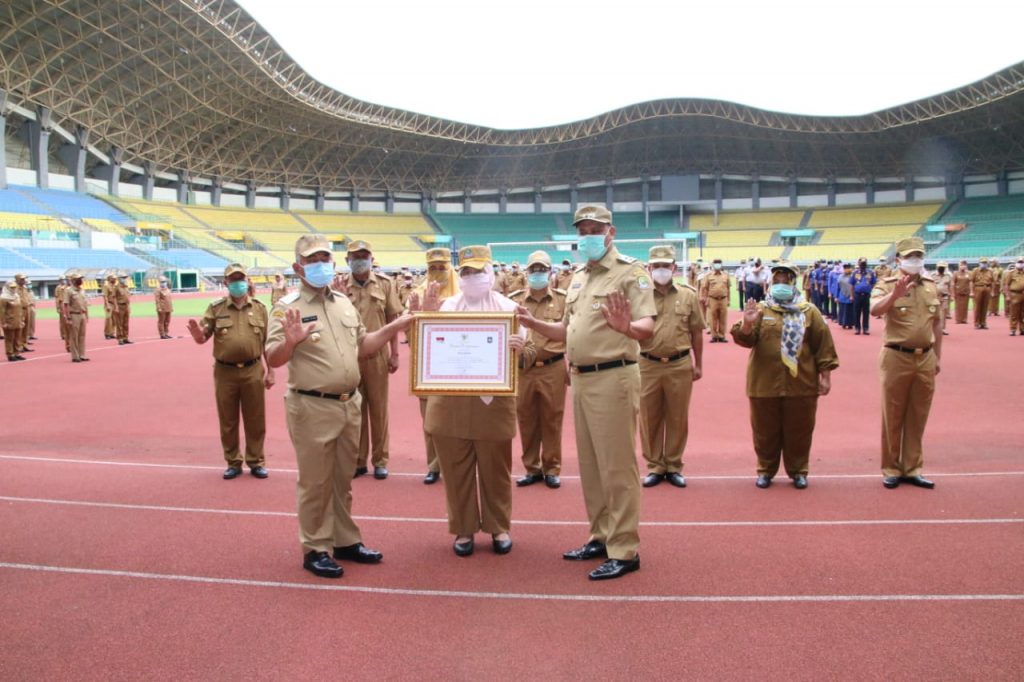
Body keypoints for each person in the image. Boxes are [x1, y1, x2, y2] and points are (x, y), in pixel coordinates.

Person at [518, 204, 656, 581]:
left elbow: (648, 327)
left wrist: (627, 328)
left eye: (596, 229)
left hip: (614, 377)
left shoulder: (631, 272)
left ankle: (625, 549)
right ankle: (601, 535)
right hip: (580, 378)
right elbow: (568, 331)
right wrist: (533, 323)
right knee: (593, 467)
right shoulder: (579, 277)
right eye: (583, 230)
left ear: (611, 232)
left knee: (617, 466)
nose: (588, 236)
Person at [265, 234, 412, 579]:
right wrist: (289, 343)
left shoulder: (343, 303)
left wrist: (396, 326)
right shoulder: (287, 307)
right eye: (313, 260)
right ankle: (316, 547)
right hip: (312, 406)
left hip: (349, 404)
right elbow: (273, 355)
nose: (321, 265)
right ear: (298, 267)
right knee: (316, 482)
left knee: (343, 479)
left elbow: (363, 345)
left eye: (325, 259)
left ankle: (345, 540)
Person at [417, 245, 533, 557]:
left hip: (493, 406)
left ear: (491, 273)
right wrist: (425, 316)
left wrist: (521, 349)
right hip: (450, 404)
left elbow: (531, 355)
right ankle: (463, 529)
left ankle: (499, 527)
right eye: (466, 272)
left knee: (496, 471)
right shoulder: (444, 308)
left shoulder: (510, 309)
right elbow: (425, 354)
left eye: (478, 271)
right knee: (456, 472)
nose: (472, 278)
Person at [731, 262, 838, 489]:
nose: (781, 284)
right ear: (770, 282)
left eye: (785, 281)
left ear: (793, 283)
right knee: (764, 431)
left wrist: (826, 377)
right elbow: (744, 339)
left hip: (802, 383)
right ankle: (765, 470)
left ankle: (798, 470)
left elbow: (823, 346)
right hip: (764, 382)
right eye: (777, 280)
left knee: (799, 430)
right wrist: (748, 324)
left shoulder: (809, 311)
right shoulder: (760, 309)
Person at [187, 263, 274, 480]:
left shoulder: (260, 308)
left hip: (253, 369)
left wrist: (271, 371)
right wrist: (198, 335)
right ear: (226, 283)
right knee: (228, 419)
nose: (237, 283)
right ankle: (233, 461)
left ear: (247, 281)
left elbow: (267, 343)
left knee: (256, 419)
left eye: (240, 279)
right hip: (225, 372)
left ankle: (256, 461)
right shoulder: (216, 308)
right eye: (233, 280)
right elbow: (202, 337)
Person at [870, 237, 942, 490]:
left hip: (925, 357)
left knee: (918, 414)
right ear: (898, 259)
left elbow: (937, 324)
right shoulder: (886, 284)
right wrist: (894, 295)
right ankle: (891, 468)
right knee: (893, 414)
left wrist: (937, 358)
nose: (915, 261)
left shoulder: (931, 286)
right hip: (896, 356)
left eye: (919, 256)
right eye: (910, 257)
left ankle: (912, 468)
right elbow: (875, 310)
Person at [332, 239, 403, 480]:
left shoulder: (385, 284)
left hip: (377, 356)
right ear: (347, 260)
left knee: (379, 410)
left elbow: (393, 319)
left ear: (372, 258)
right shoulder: (339, 286)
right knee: (354, 411)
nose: (360, 259)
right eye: (355, 256)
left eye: (364, 255)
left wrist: (395, 353)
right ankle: (358, 461)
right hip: (350, 357)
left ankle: (380, 459)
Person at [639, 245, 703, 488]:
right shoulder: (640, 295)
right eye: (657, 266)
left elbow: (696, 331)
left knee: (677, 416)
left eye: (666, 266)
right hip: (647, 364)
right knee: (649, 417)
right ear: (649, 268)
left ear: (674, 268)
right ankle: (655, 466)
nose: (661, 270)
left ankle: (674, 465)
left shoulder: (688, 295)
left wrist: (699, 364)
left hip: (679, 363)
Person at [509, 250, 568, 489]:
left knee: (552, 418)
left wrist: (571, 363)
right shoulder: (514, 300)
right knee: (526, 418)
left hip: (552, 367)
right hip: (523, 369)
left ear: (550, 272)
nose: (538, 274)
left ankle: (552, 467)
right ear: (527, 272)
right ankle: (531, 468)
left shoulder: (562, 299)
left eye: (542, 269)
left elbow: (570, 333)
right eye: (534, 269)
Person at [412, 247, 460, 483]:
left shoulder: (463, 292)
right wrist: (419, 314)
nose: (438, 272)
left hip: (460, 366)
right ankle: (434, 465)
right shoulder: (417, 294)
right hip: (428, 366)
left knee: (458, 418)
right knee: (430, 418)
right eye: (433, 268)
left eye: (442, 267)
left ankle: (457, 463)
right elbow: (411, 337)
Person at [61, 271, 89, 363]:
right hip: (74, 315)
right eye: (78, 279)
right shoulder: (68, 290)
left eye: (81, 279)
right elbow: (66, 304)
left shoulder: (82, 290)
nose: (81, 280)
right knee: (74, 336)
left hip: (82, 314)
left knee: (82, 335)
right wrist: (67, 317)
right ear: (73, 280)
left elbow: (84, 303)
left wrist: (86, 315)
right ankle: (75, 356)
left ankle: (82, 354)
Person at [700, 258, 730, 343]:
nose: (717, 264)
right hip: (712, 299)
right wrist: (705, 298)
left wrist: (729, 299)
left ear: (721, 264)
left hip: (723, 298)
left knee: (723, 318)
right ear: (713, 265)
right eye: (716, 263)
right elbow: (704, 288)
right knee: (712, 318)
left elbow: (728, 288)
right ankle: (714, 336)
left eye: (719, 263)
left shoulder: (726, 275)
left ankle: (721, 336)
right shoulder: (708, 275)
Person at [1, 280, 26, 361]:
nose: (14, 289)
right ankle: (10, 354)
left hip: (18, 320)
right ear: (7, 288)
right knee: (9, 339)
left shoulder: (16, 296)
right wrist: (3, 322)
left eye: (14, 287)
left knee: (17, 338)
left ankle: (17, 353)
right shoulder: (3, 298)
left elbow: (20, 309)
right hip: (9, 321)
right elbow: (2, 311)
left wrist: (22, 319)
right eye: (12, 287)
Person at [851, 258, 877, 335]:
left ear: (866, 264)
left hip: (866, 295)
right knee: (857, 312)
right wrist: (852, 296)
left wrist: (869, 289)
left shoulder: (870, 272)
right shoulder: (855, 273)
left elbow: (873, 282)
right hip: (857, 295)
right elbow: (851, 285)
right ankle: (857, 328)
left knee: (866, 313)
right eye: (861, 263)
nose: (863, 265)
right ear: (859, 264)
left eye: (864, 263)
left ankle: (865, 328)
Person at [970, 258, 995, 330]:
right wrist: (971, 291)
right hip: (978, 288)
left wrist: (992, 291)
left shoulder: (990, 271)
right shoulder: (975, 270)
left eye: (985, 262)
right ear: (979, 263)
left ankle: (983, 323)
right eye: (982, 262)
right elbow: (971, 281)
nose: (984, 264)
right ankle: (977, 323)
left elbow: (993, 282)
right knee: (977, 307)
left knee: (985, 307)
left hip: (987, 288)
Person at [1004, 258, 1024, 336]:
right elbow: (1006, 285)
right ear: (1016, 263)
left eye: (1022, 262)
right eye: (1019, 262)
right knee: (1014, 313)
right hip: (1015, 294)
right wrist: (1007, 296)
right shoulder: (1011, 273)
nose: (1021, 264)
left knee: (1023, 313)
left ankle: (1022, 329)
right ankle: (1013, 329)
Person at [933, 261, 952, 336]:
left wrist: (952, 295)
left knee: (943, 313)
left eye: (943, 267)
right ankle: (934, 328)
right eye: (940, 267)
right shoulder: (932, 275)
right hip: (935, 297)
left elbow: (950, 286)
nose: (941, 268)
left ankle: (942, 329)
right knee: (935, 313)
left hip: (944, 297)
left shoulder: (948, 276)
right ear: (937, 267)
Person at [114, 273, 133, 345]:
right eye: (123, 278)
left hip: (126, 306)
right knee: (119, 323)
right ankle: (120, 338)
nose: (124, 279)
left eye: (125, 278)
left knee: (126, 323)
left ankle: (125, 338)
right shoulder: (116, 287)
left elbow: (128, 297)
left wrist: (129, 306)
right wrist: (116, 307)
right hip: (120, 306)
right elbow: (114, 297)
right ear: (119, 279)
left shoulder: (126, 287)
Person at [54, 276, 70, 351]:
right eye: (62, 280)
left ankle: (66, 334)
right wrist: (57, 307)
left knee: (67, 320)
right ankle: (63, 334)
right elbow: (57, 298)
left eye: (64, 280)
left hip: (67, 304)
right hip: (62, 303)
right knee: (62, 320)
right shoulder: (58, 288)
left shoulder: (67, 287)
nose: (63, 281)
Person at [837, 263, 854, 329]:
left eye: (848, 268)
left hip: (851, 295)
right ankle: (843, 323)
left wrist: (853, 295)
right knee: (843, 309)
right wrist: (836, 296)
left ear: (850, 268)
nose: (846, 270)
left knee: (850, 310)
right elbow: (837, 287)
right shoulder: (840, 277)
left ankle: (850, 324)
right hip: (842, 295)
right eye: (845, 268)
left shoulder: (853, 276)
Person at [102, 273, 117, 339]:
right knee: (108, 319)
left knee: (114, 319)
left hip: (114, 304)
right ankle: (107, 333)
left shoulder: (114, 286)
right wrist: (107, 304)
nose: (115, 279)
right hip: (109, 304)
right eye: (113, 278)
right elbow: (105, 296)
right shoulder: (106, 286)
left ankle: (112, 333)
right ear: (109, 279)